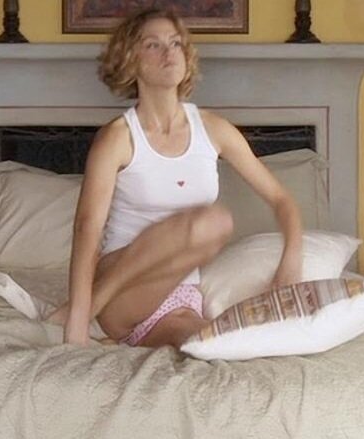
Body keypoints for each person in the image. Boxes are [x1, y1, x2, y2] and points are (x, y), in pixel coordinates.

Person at [48, 8, 303, 347]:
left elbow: (281, 199)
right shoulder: (118, 137)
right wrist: (79, 320)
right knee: (212, 221)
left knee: (214, 343)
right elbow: (87, 228)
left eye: (176, 43)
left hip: (182, 293)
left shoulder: (214, 129)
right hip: (122, 295)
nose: (169, 52)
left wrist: (291, 258)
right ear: (130, 59)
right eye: (153, 45)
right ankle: (90, 306)